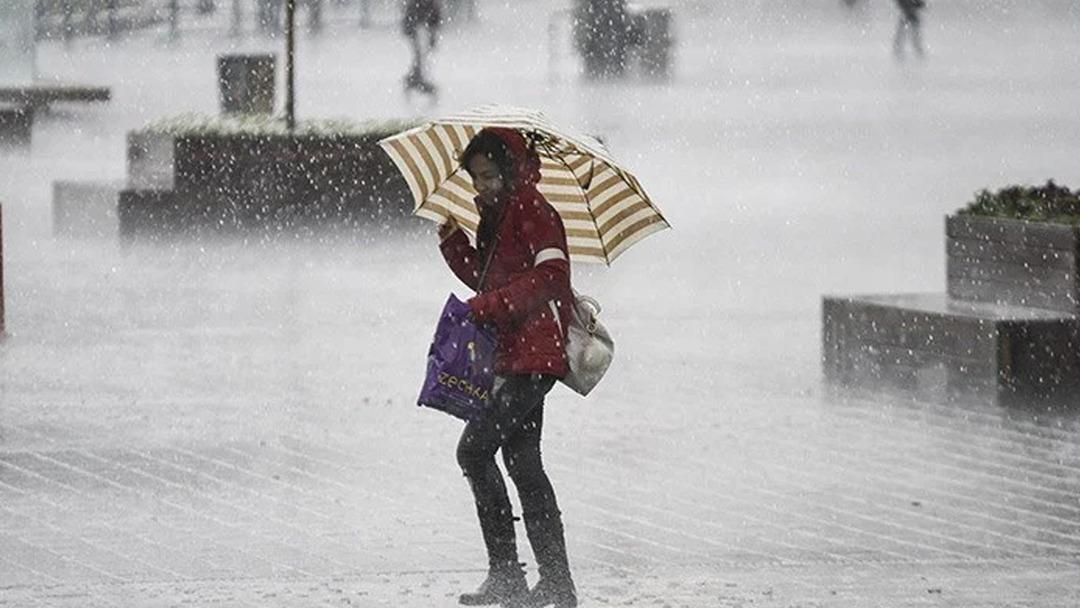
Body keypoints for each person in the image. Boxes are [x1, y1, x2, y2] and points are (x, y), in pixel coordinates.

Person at [437, 128, 578, 608]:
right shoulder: (496, 215)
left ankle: (509, 576)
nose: (482, 186)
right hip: (513, 353)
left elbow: (551, 277)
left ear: (512, 170)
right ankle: (555, 584)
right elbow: (489, 277)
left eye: (491, 176)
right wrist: (456, 245)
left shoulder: (535, 212)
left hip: (535, 356)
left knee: (474, 452)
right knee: (524, 464)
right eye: (476, 178)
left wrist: (491, 305)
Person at [401, 0, 442, 96]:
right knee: (420, 54)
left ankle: (415, 77)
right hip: (417, 27)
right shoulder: (428, 5)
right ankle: (416, 78)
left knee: (420, 54)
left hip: (417, 26)